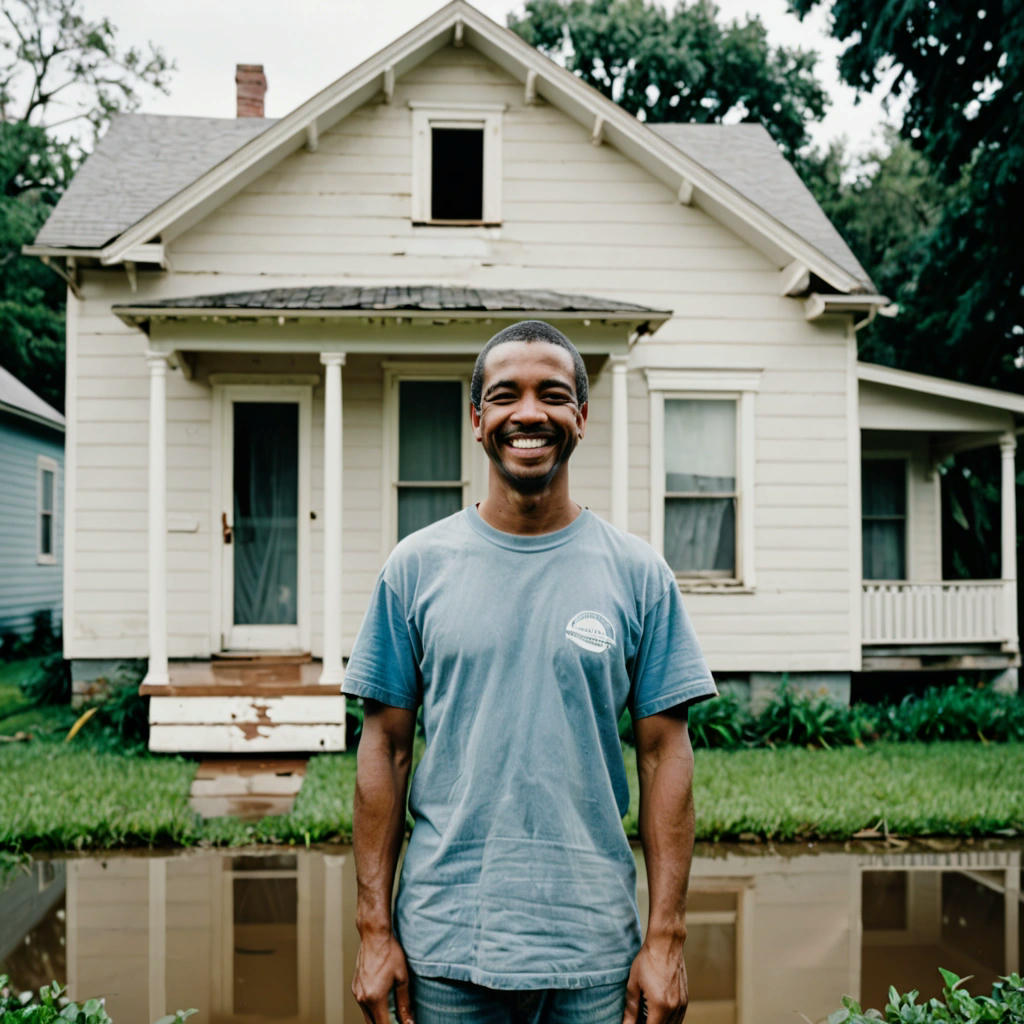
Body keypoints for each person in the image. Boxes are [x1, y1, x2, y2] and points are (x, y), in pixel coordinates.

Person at [343, 320, 717, 1024]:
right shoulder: (415, 569)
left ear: (580, 416)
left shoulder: (638, 575)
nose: (529, 413)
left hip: (595, 957)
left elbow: (667, 753)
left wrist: (665, 938)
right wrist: (373, 932)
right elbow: (385, 750)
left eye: (552, 394)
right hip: (444, 952)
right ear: (478, 419)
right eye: (505, 395)